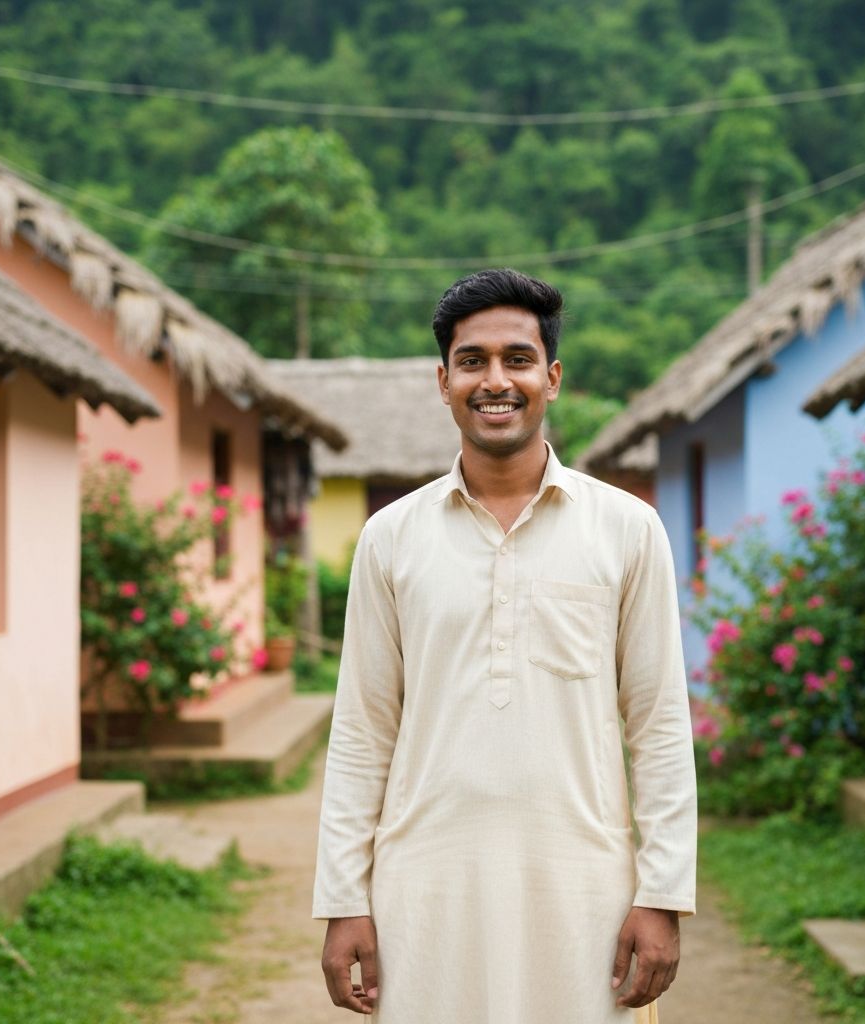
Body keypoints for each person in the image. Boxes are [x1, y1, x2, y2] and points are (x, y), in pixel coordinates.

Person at [314, 268, 696, 1023]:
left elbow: (658, 725)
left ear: (551, 378)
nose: (496, 380)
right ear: (443, 380)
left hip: (585, 894)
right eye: (473, 361)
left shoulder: (626, 529)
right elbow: (362, 730)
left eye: (518, 359)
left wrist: (662, 893)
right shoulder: (391, 538)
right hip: (424, 894)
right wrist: (342, 899)